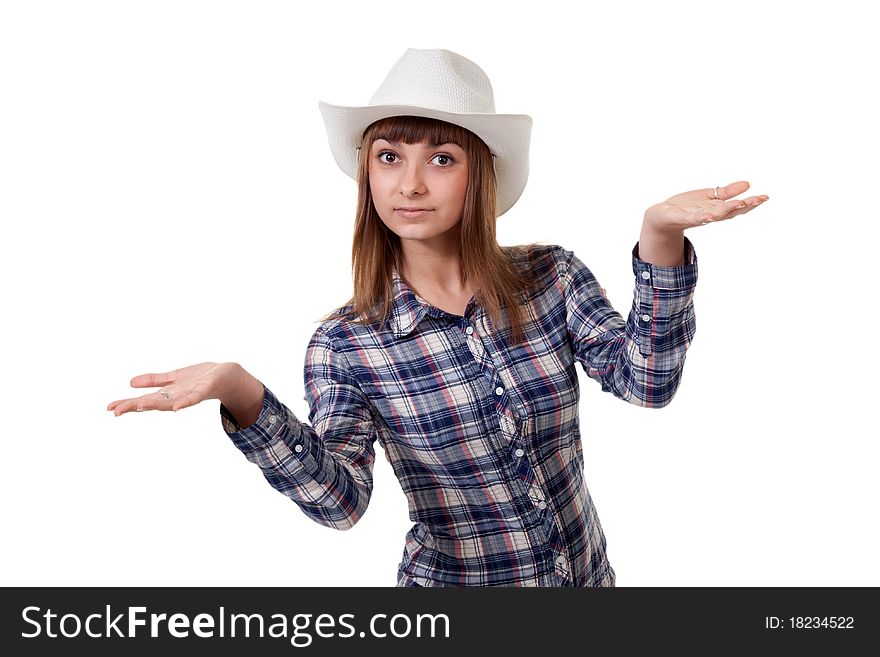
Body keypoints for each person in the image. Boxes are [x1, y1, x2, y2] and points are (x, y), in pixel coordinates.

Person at [107, 48, 769, 587]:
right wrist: (239, 391)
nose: (410, 183)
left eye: (441, 159)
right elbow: (340, 500)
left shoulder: (551, 277)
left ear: (478, 174)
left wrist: (658, 237)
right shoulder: (346, 344)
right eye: (389, 156)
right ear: (367, 172)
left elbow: (646, 382)